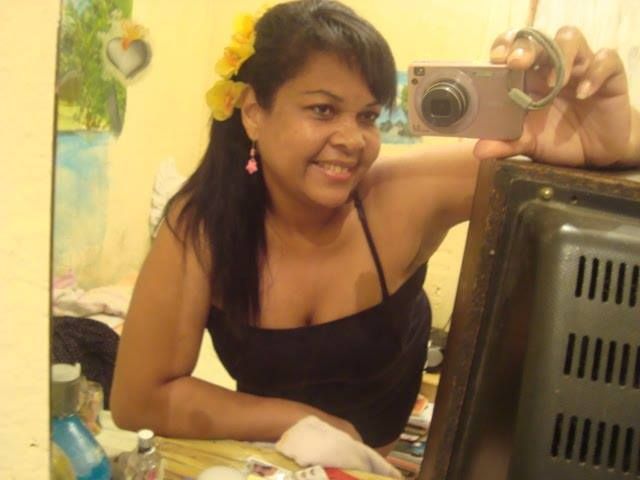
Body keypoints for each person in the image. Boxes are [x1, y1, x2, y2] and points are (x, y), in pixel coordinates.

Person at [110, 0, 639, 456]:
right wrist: (305, 423)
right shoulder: (201, 227)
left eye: (367, 116)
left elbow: (573, 177)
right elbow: (139, 398)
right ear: (253, 112)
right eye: (323, 110)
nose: (353, 139)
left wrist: (606, 143)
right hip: (268, 459)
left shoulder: (400, 197)